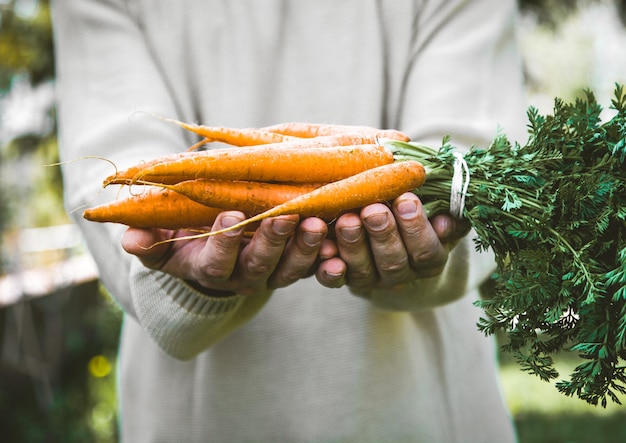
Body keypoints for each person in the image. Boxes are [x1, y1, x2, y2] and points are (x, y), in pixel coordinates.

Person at [51, 0, 527, 441]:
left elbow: (469, 146)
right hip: (198, 419)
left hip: (424, 410)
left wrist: (438, 232)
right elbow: (111, 152)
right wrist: (178, 263)